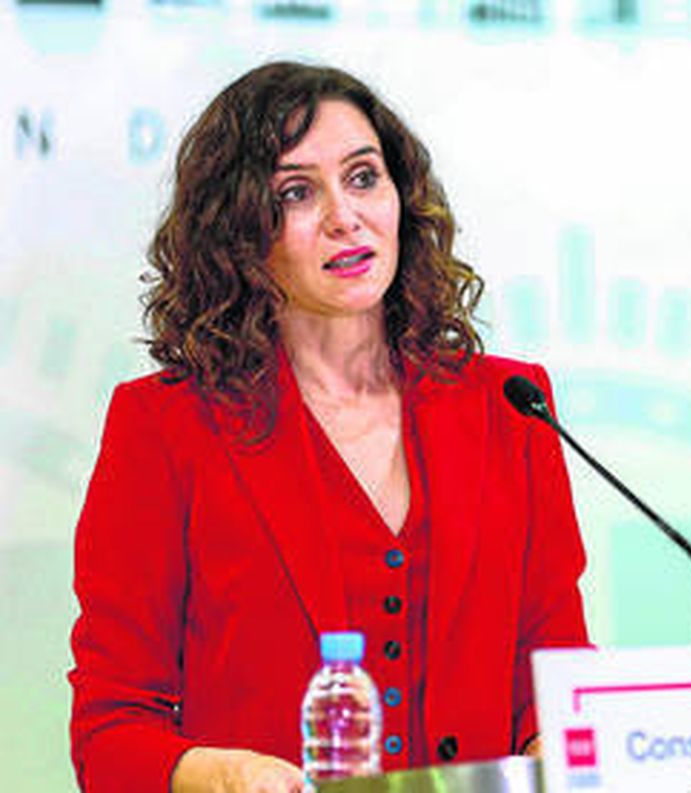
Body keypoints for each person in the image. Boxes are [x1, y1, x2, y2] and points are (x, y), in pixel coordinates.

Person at [68, 61, 590, 792]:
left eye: (364, 177)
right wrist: (219, 773)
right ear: (237, 231)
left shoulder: (509, 404)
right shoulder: (165, 427)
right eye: (296, 192)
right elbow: (111, 728)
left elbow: (554, 672)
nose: (345, 216)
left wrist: (554, 746)